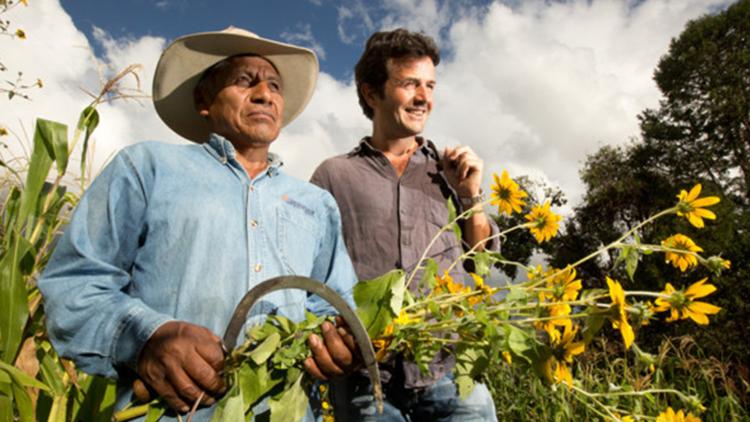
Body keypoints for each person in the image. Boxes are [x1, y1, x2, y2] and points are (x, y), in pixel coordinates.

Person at [38, 27, 358, 421]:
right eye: (245, 80)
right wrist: (146, 338)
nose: (265, 93)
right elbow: (75, 284)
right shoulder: (147, 168)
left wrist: (337, 341)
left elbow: (336, 302)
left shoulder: (317, 204)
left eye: (275, 85)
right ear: (203, 100)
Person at [311, 28, 499, 421]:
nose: (424, 97)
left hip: (451, 371)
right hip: (368, 379)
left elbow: (481, 263)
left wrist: (470, 197)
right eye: (409, 83)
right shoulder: (334, 176)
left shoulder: (452, 171)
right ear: (370, 93)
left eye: (430, 85)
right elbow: (313, 274)